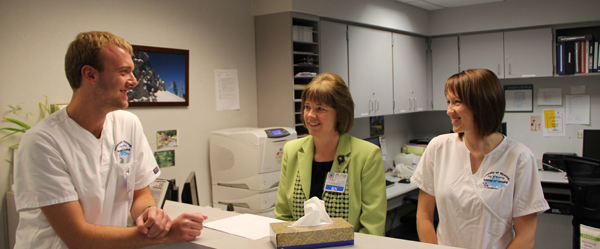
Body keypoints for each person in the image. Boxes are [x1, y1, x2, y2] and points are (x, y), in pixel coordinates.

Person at [13, 31, 207, 249]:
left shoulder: (127, 124)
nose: (133, 81)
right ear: (90, 75)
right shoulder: (43, 142)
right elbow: (78, 237)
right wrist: (167, 234)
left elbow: (139, 193)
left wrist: (147, 213)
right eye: (124, 72)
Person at [411, 68, 549, 249]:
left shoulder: (520, 158)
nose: (449, 110)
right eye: (448, 102)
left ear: (482, 104)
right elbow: (423, 215)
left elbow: (525, 236)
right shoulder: (438, 148)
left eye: (457, 102)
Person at [274, 72, 387, 235]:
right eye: (307, 107)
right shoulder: (292, 151)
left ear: (340, 113)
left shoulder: (367, 155)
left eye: (320, 108)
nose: (310, 115)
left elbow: (372, 226)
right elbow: (283, 217)